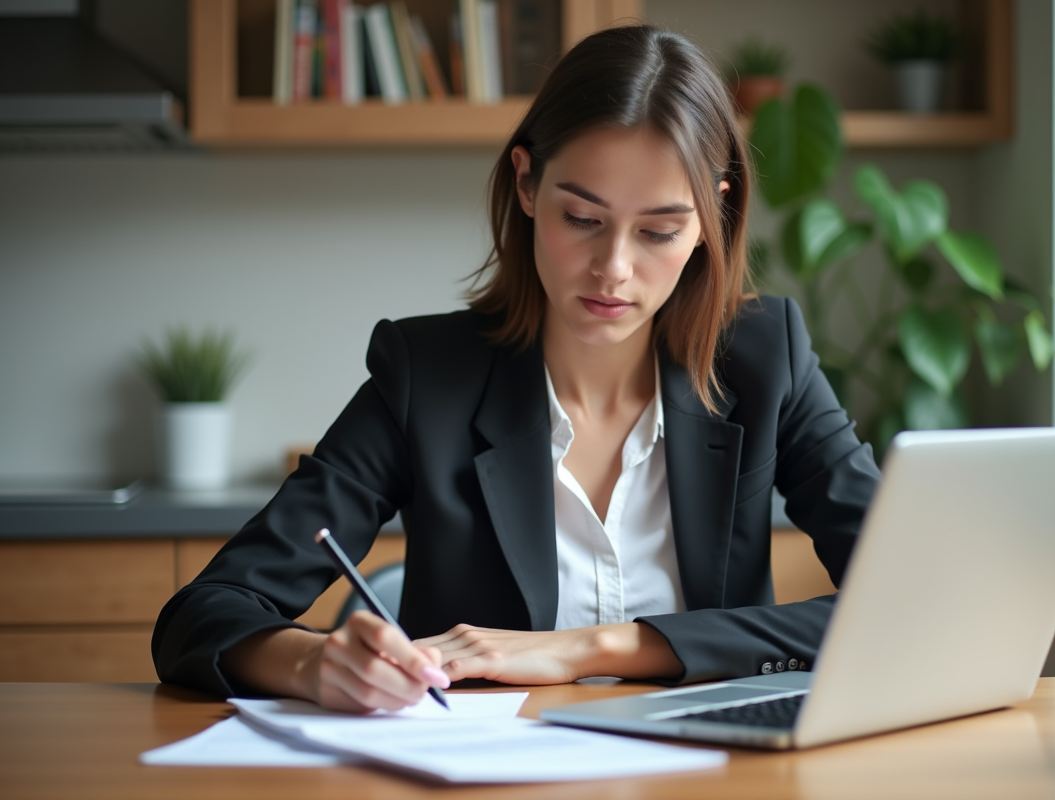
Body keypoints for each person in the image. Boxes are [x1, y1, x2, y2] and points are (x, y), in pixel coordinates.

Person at [152, 25, 880, 712]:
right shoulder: (426, 377)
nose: (614, 269)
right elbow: (202, 616)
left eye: (659, 230)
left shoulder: (764, 358)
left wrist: (591, 649)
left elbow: (914, 598)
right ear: (527, 185)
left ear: (711, 220)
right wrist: (313, 664)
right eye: (582, 219)